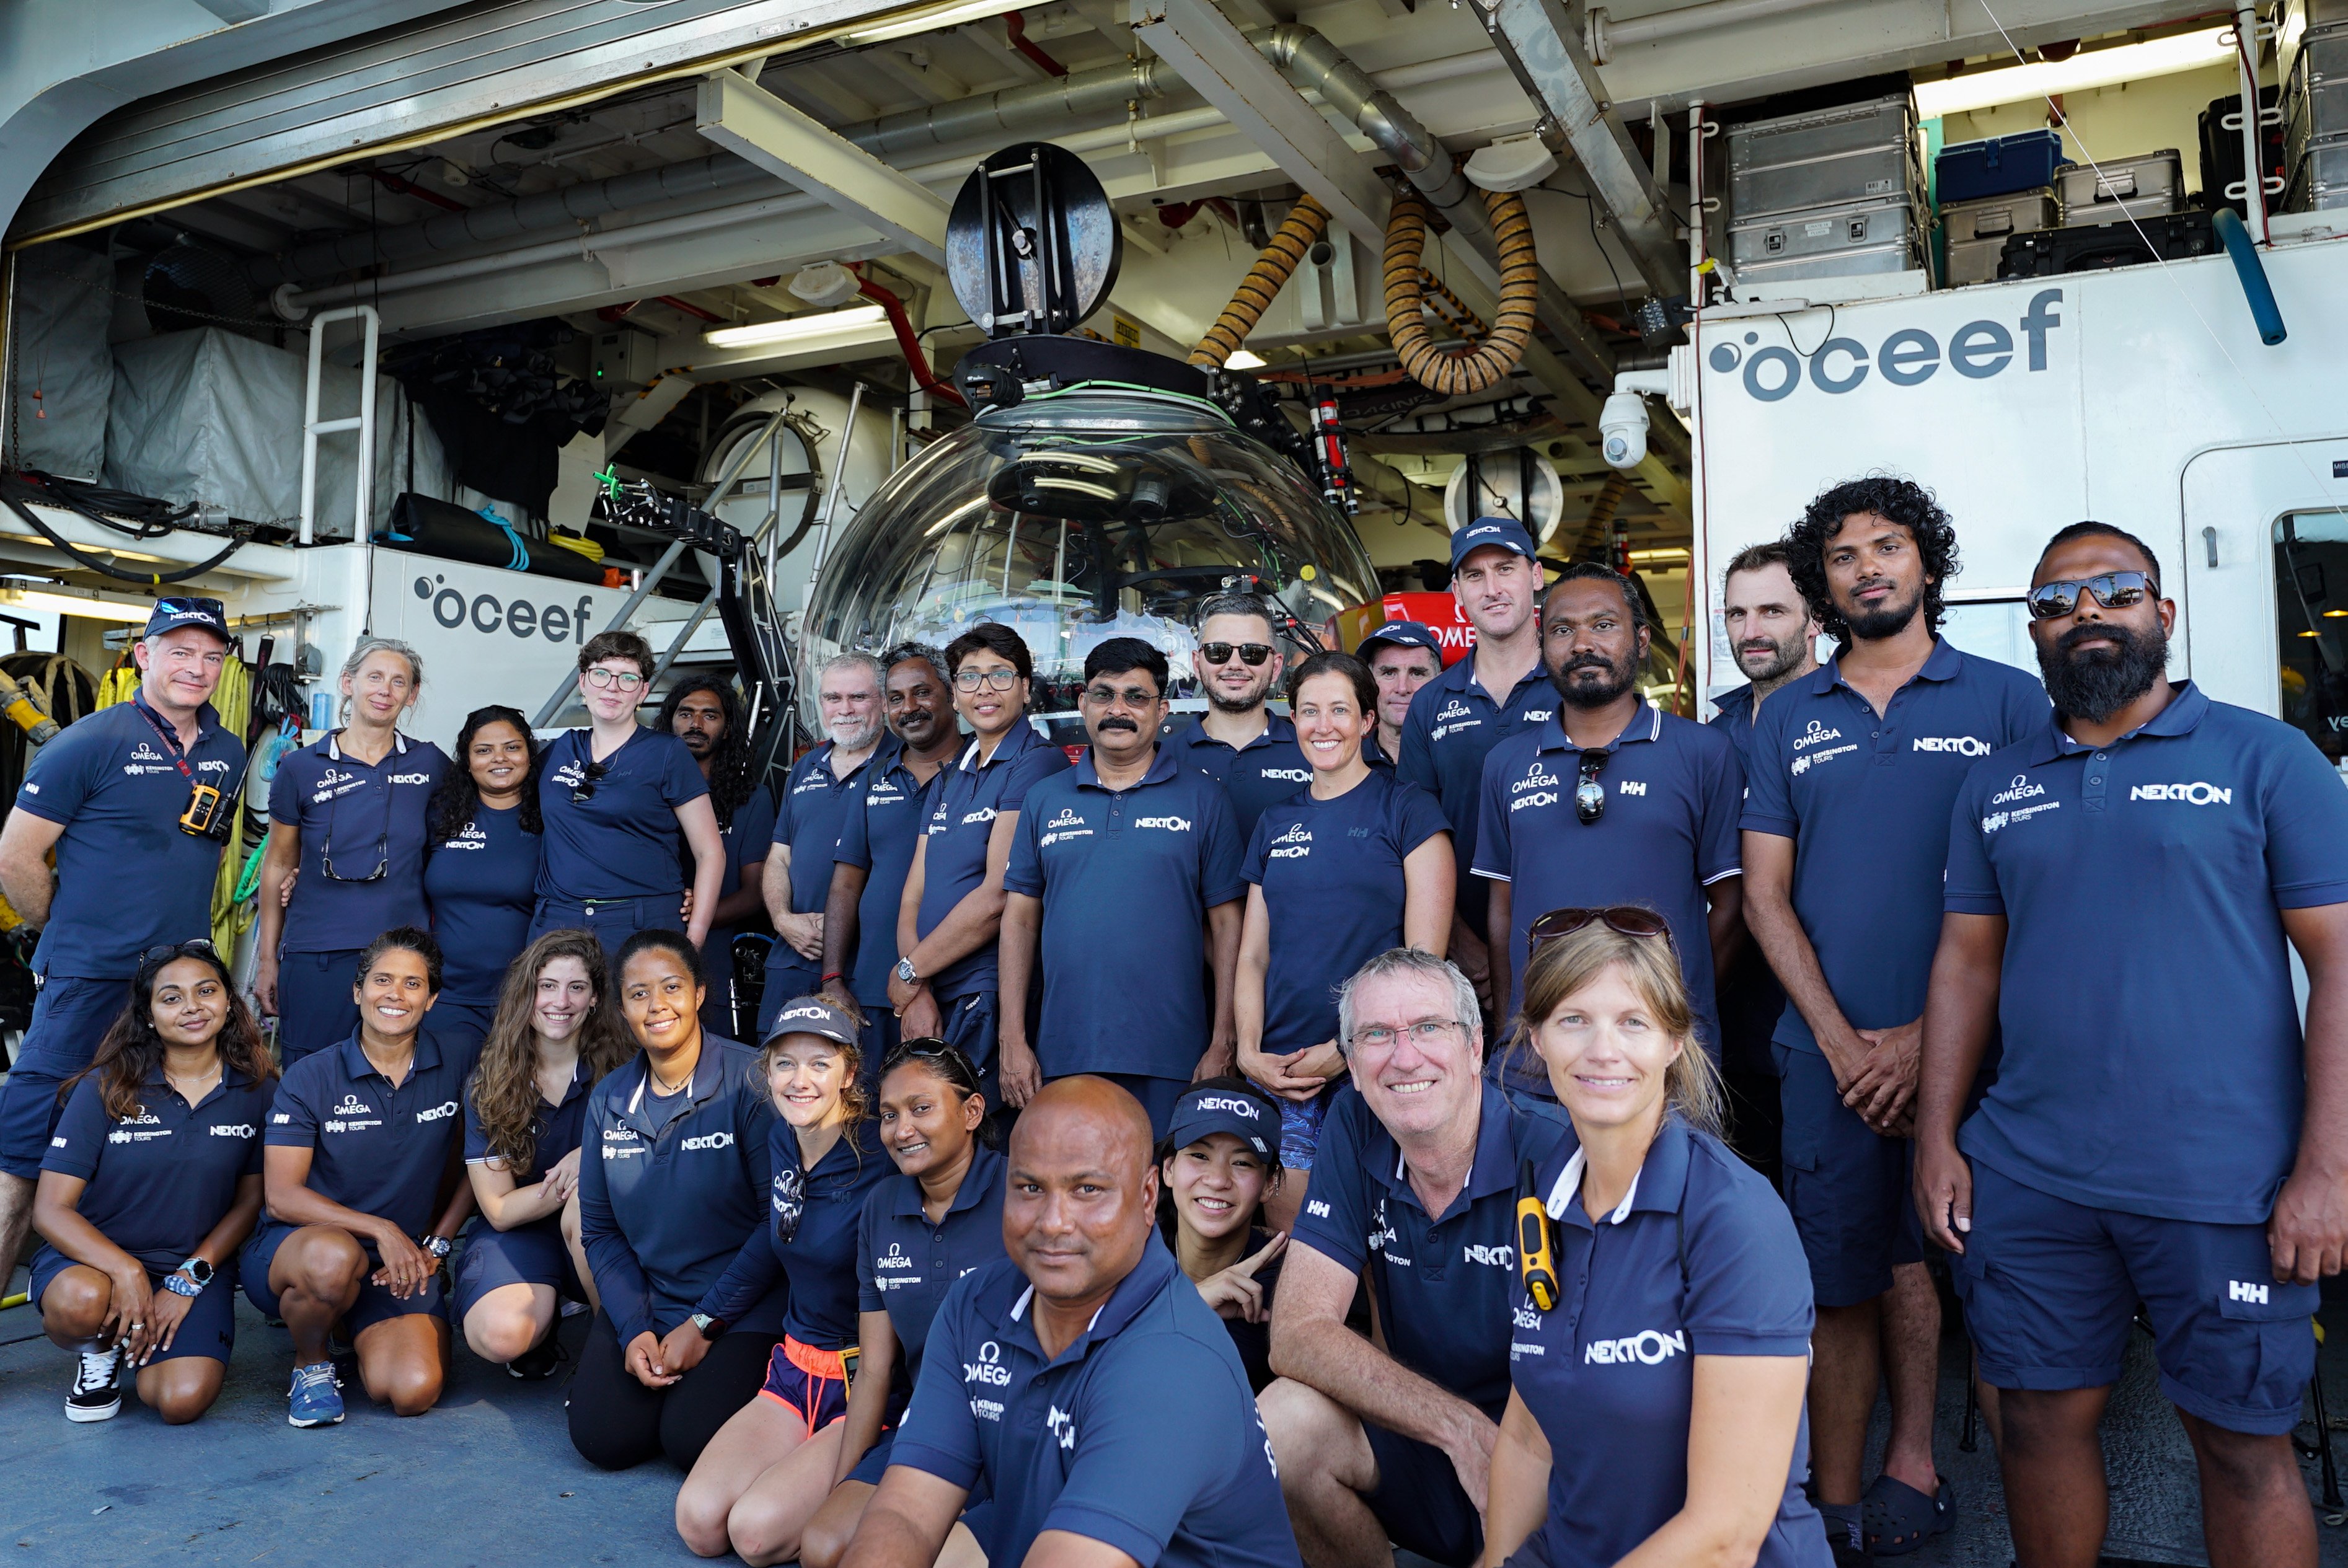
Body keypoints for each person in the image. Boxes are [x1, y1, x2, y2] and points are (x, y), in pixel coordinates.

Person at [1917, 522, 2348, 1568]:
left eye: (2115, 590)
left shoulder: (2264, 758)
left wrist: (2327, 1170)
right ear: (2032, 632)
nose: (2086, 613)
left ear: (2163, 612)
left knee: (2241, 1444)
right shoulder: (1996, 784)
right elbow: (1965, 966)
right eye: (2056, 601)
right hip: (2032, 1172)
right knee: (2032, 1422)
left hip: (2226, 1181)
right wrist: (1936, 1139)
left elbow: (2340, 963)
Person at [1739, 476, 2048, 1561]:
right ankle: (1833, 1511)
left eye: (1887, 546)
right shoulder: (1788, 716)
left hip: (1985, 1059)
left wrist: (1925, 1040)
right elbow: (1764, 897)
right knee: (1839, 1286)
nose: (1866, 568)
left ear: (1927, 562)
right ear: (1821, 586)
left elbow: (2035, 885)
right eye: (1842, 555)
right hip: (1823, 1059)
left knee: (2003, 1296)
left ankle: (1948, 1481)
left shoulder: (2009, 701)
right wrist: (1839, 1042)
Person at [841, 1077, 1302, 1568]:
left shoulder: (1177, 1358)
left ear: (1148, 1195)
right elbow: (907, 1513)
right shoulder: (974, 1306)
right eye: (1030, 1188)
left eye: (1088, 1189)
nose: (1054, 1222)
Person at [1483, 914, 1829, 1568]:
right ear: (1536, 1040)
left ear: (1674, 1041)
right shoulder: (1545, 1196)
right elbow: (1529, 1439)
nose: (1602, 1050)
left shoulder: (1734, 1220)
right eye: (1573, 1020)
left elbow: (1726, 1534)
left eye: (1632, 1022)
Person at [1259, 947, 1568, 1568]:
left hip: (1547, 1451)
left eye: (1428, 1027)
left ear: (1474, 1047)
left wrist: (1506, 1454)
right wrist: (1460, 1430)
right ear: (1351, 1064)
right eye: (1376, 1034)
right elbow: (1296, 1332)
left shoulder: (1554, 1147)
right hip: (1424, 1434)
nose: (1404, 1057)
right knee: (1280, 1426)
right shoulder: (1355, 1121)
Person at [0, 597, 244, 1306]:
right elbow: (16, 855)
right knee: (22, 1154)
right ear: (143, 655)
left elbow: (200, 849)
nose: (196, 667)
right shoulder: (88, 742)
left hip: (178, 988)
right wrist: (68, 928)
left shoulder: (227, 751)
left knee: (154, 1139)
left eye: (210, 656)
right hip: (88, 979)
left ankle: (139, 1309)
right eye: (180, 651)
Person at [1473, 563, 1744, 1093]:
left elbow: (1732, 906)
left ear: (1641, 641)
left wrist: (1672, 1010)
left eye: (1603, 625)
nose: (1582, 644)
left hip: (1663, 1059)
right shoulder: (1505, 763)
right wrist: (1512, 1035)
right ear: (1543, 646)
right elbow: (1502, 911)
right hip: (1538, 1060)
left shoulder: (1704, 753)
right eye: (1562, 629)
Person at [1238, 651, 1452, 1227]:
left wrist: (1347, 1048)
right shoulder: (1274, 822)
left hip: (1384, 1064)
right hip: (1286, 1072)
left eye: (1339, 709)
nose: (1323, 725)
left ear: (1366, 719)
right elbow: (1253, 956)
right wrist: (1249, 1052)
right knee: (1297, 1244)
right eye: (1309, 711)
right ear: (1293, 720)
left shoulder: (1408, 809)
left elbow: (1424, 963)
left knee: (1385, 1247)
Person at [677, 998, 893, 1562]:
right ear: (767, 1071)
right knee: (699, 1524)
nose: (800, 1080)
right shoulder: (782, 1138)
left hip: (864, 1384)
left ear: (849, 1074)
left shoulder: (885, 1158)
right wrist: (704, 1319)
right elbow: (774, 1239)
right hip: (795, 1369)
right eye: (786, 1064)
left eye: (820, 1064)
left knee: (753, 1534)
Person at [1001, 637, 1245, 1133]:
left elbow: (1228, 928)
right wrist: (1013, 1039)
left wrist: (1224, 1040)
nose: (1118, 710)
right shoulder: (1043, 799)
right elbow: (1020, 921)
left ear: (1162, 711)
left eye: (1136, 697)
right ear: (1083, 703)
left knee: (1166, 1179)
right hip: (1063, 1054)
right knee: (1075, 1178)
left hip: (1175, 1057)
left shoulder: (1205, 798)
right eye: (1104, 695)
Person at [30, 939, 273, 1424]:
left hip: (192, 1266)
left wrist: (188, 1279)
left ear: (229, 1002)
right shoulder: (107, 1085)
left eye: (206, 991)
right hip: (96, 1264)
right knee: (82, 1303)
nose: (192, 1007)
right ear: (147, 1015)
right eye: (171, 997)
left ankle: (140, 1335)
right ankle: (100, 1350)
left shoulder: (258, 1089)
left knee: (179, 1400)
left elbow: (250, 1203)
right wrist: (126, 1272)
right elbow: (50, 1210)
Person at [570, 929, 782, 1472]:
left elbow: (776, 1223)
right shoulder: (609, 1098)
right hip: (653, 1299)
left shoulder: (751, 1082)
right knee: (603, 1440)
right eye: (639, 994)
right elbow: (601, 1232)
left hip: (742, 1306)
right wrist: (633, 1327)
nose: (657, 1005)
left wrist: (705, 1323)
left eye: (671, 987)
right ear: (622, 1009)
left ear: (700, 993)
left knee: (690, 1440)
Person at [244, 927, 473, 1427]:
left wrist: (436, 1246)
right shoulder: (311, 1075)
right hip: (303, 1251)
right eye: (382, 980)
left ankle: (347, 1322)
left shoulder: (460, 1060)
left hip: (399, 1263)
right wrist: (381, 1229)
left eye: (413, 984)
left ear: (432, 999)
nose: (396, 995)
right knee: (332, 1259)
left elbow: (480, 1164)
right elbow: (281, 1197)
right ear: (357, 991)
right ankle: (311, 1363)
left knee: (411, 1391)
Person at [800, 1037, 1004, 1568]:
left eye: (921, 1108)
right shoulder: (881, 1207)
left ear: (972, 1111)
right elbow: (874, 1369)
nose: (902, 1129)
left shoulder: (1019, 1192)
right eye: (890, 1115)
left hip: (1011, 1431)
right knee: (822, 1547)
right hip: (931, 1426)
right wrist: (845, 1484)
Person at [889, 623, 1070, 1091]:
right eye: (970, 677)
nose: (984, 689)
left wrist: (911, 970)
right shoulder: (952, 774)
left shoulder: (1038, 761)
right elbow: (912, 896)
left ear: (1026, 688)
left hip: (985, 990)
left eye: (1000, 675)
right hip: (933, 987)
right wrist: (917, 987)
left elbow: (997, 896)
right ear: (955, 694)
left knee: (975, 1123)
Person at [255, 637, 448, 1063]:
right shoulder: (300, 768)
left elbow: (453, 853)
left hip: (403, 960)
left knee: (396, 1081)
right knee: (311, 1077)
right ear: (348, 683)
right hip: (317, 954)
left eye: (399, 682)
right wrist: (268, 959)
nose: (385, 690)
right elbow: (279, 863)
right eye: (374, 677)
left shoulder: (431, 764)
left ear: (412, 694)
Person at [456, 930, 635, 1378]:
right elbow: (499, 1210)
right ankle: (547, 1312)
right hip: (522, 1232)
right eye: (547, 986)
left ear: (595, 998)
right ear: (527, 993)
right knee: (501, 1336)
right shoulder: (490, 1080)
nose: (561, 1001)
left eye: (577, 987)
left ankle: (615, 1353)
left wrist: (589, 1158)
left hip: (607, 1227)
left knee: (585, 1204)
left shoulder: (627, 1067)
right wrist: (584, 1168)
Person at [1397, 520, 1556, 1012]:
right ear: (1456, 592)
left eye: (1505, 569)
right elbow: (1415, 836)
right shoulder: (1429, 703)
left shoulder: (1574, 686)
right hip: (1466, 962)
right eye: (1474, 575)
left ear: (1536, 576)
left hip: (1569, 944)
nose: (1492, 589)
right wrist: (1459, 941)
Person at [1708, 543, 1823, 1186]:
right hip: (1737, 1029)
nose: (1751, 630)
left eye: (1772, 611)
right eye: (1737, 614)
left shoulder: (1856, 725)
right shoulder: (1709, 740)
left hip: (1837, 1023)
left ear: (1815, 619)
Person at [533, 630, 724, 960]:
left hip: (640, 925)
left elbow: (710, 852)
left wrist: (693, 940)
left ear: (643, 692)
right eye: (601, 674)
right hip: (558, 922)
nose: (612, 687)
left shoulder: (667, 753)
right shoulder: (558, 750)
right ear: (583, 683)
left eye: (627, 678)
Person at [822, 643, 964, 1063]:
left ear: (951, 694)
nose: (910, 708)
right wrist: (833, 978)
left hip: (960, 986)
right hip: (876, 989)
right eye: (897, 698)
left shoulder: (984, 772)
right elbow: (846, 884)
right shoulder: (873, 778)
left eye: (922, 692)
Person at [762, 654, 887, 1037]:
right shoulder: (806, 766)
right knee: (775, 1066)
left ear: (884, 700)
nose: (844, 710)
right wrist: (783, 920)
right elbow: (779, 858)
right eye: (833, 698)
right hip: (794, 954)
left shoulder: (904, 763)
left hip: (867, 964)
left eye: (858, 697)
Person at [659, 674, 777, 1041]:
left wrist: (697, 917)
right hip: (644, 939)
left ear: (727, 730)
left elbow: (756, 893)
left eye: (710, 715)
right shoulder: (644, 793)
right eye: (685, 714)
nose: (695, 724)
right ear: (669, 722)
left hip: (716, 952)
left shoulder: (751, 799)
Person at [424, 704, 543, 1050]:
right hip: (447, 996)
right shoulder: (440, 815)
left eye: (512, 747)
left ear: (529, 754)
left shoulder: (551, 819)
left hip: (524, 998)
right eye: (484, 750)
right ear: (467, 760)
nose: (499, 758)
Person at [1160, 1076, 1289, 1392]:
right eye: (1199, 1156)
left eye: (1242, 1162)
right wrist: (1195, 1304)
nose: (1218, 1180)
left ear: (1269, 1184)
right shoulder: (1126, 1254)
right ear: (1169, 1169)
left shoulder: (1287, 1282)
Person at [1157, 592, 1313, 842]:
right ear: (1197, 664)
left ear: (1276, 667)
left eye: (1253, 652)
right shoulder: (1160, 761)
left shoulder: (1315, 755)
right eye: (1218, 651)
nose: (1235, 664)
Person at [1356, 620, 1444, 769]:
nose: (1402, 688)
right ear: (1369, 683)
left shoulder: (1462, 759)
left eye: (1417, 673)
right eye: (1389, 673)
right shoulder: (1345, 761)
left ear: (1439, 682)